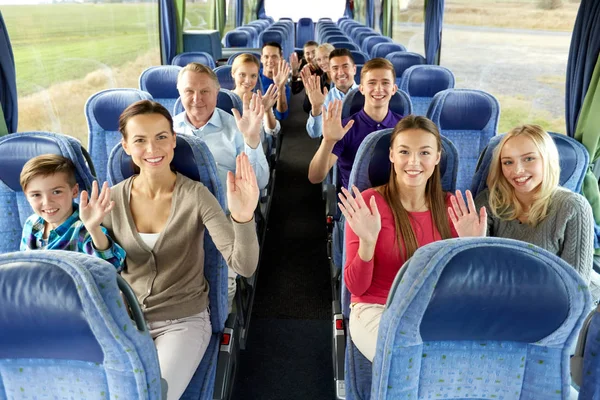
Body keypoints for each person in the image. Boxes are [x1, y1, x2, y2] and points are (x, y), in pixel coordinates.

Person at [103, 100, 260, 400]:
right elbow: (102, 270)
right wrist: (94, 230)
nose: (152, 148)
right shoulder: (109, 201)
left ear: (174, 140)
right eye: (140, 140)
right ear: (125, 146)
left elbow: (244, 265)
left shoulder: (197, 195)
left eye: (161, 136)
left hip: (183, 322)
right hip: (127, 321)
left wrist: (243, 217)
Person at [339, 115, 458, 362]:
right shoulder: (368, 205)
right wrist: (367, 242)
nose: (413, 162)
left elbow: (460, 289)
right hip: (376, 309)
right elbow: (356, 288)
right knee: (409, 361)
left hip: (433, 310)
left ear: (437, 158)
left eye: (424, 152)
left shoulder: (453, 210)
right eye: (404, 151)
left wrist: (471, 246)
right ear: (392, 155)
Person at [448, 124, 600, 298]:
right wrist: (472, 245)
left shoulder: (573, 207)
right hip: (499, 297)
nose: (517, 170)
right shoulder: (489, 202)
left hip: (556, 305)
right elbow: (475, 279)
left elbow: (575, 290)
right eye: (508, 162)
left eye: (529, 159)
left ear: (547, 159)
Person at [308, 57, 403, 188]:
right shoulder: (345, 128)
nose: (379, 89)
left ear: (394, 89)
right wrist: (328, 141)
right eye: (372, 83)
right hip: (356, 204)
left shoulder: (405, 128)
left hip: (396, 200)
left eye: (385, 83)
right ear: (361, 88)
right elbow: (315, 177)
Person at [173, 62, 269, 190]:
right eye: (189, 91)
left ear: (217, 92)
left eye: (204, 91)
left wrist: (251, 139)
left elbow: (260, 183)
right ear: (180, 92)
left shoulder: (238, 129)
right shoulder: (168, 130)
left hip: (227, 208)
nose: (197, 99)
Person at [19, 154, 125, 271]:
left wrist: (94, 229)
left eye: (56, 192)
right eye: (36, 195)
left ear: (74, 191)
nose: (47, 202)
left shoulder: (83, 229)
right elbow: (24, 266)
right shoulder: (31, 223)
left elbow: (113, 267)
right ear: (27, 197)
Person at [231, 53, 280, 155]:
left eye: (253, 76)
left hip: (255, 151)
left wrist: (267, 111)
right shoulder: (223, 99)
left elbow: (272, 131)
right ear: (233, 73)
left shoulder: (260, 100)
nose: (248, 81)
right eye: (242, 75)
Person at [304, 47, 358, 139]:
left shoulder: (367, 94)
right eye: (335, 68)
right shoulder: (325, 98)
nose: (340, 73)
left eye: (345, 66)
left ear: (354, 69)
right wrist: (316, 108)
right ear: (330, 72)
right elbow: (314, 133)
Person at [259, 42, 291, 120]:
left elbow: (281, 116)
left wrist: (280, 87)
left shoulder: (285, 86)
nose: (270, 60)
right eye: (266, 57)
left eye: (274, 57)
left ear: (281, 58)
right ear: (261, 59)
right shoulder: (253, 77)